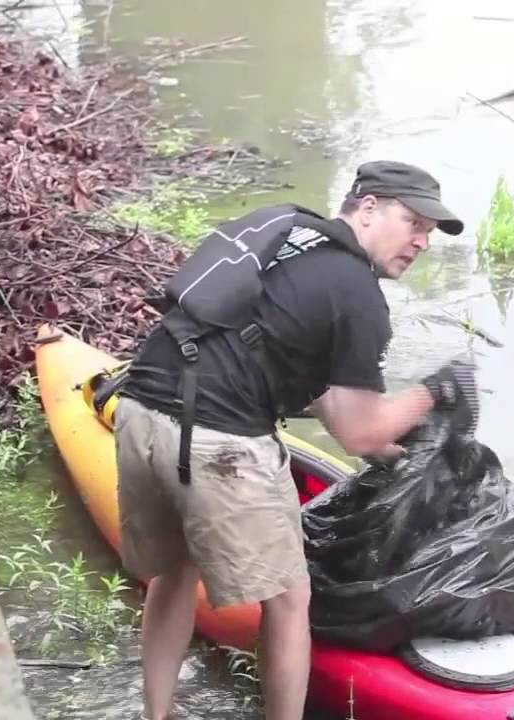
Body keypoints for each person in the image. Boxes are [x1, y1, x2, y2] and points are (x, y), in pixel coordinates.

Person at [112, 160, 479, 720]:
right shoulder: (358, 294)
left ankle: (154, 715)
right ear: (369, 207)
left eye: (429, 231)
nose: (422, 241)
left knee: (174, 574)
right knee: (288, 600)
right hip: (218, 444)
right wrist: (441, 389)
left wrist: (392, 449)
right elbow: (358, 431)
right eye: (414, 223)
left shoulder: (280, 230)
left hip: (139, 409)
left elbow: (306, 383)